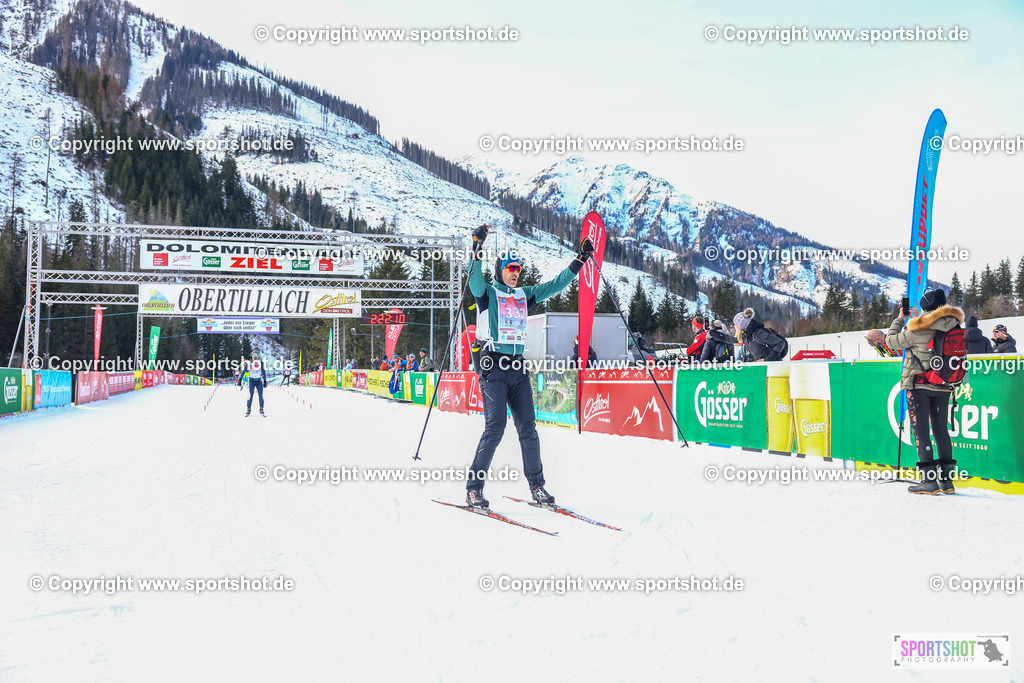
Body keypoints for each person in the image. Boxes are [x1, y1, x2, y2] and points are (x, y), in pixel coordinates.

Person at [464, 223, 594, 509]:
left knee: (528, 429)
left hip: (518, 370)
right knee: (496, 427)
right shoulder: (487, 294)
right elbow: (473, 280)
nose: (514, 272)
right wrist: (477, 247)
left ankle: (537, 486)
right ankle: (474, 489)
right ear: (500, 270)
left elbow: (556, 285)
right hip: (493, 369)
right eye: (509, 268)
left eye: (518, 269)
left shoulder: (525, 295)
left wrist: (580, 260)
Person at [884, 288, 964, 495]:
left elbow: (890, 341)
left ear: (926, 307)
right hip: (944, 386)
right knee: (941, 431)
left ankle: (928, 482)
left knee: (921, 432)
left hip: (919, 386)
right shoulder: (954, 325)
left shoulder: (917, 329)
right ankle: (946, 482)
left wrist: (900, 320)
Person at [237, 351, 268, 416]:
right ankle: (248, 409)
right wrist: (240, 380)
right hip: (251, 381)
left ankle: (261, 409)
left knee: (260, 395)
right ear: (252, 356)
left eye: (256, 355)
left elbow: (264, 372)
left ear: (258, 356)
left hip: (259, 381)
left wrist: (265, 381)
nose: (255, 356)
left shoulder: (261, 363)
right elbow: (243, 371)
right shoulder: (249, 363)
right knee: (250, 395)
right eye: (254, 355)